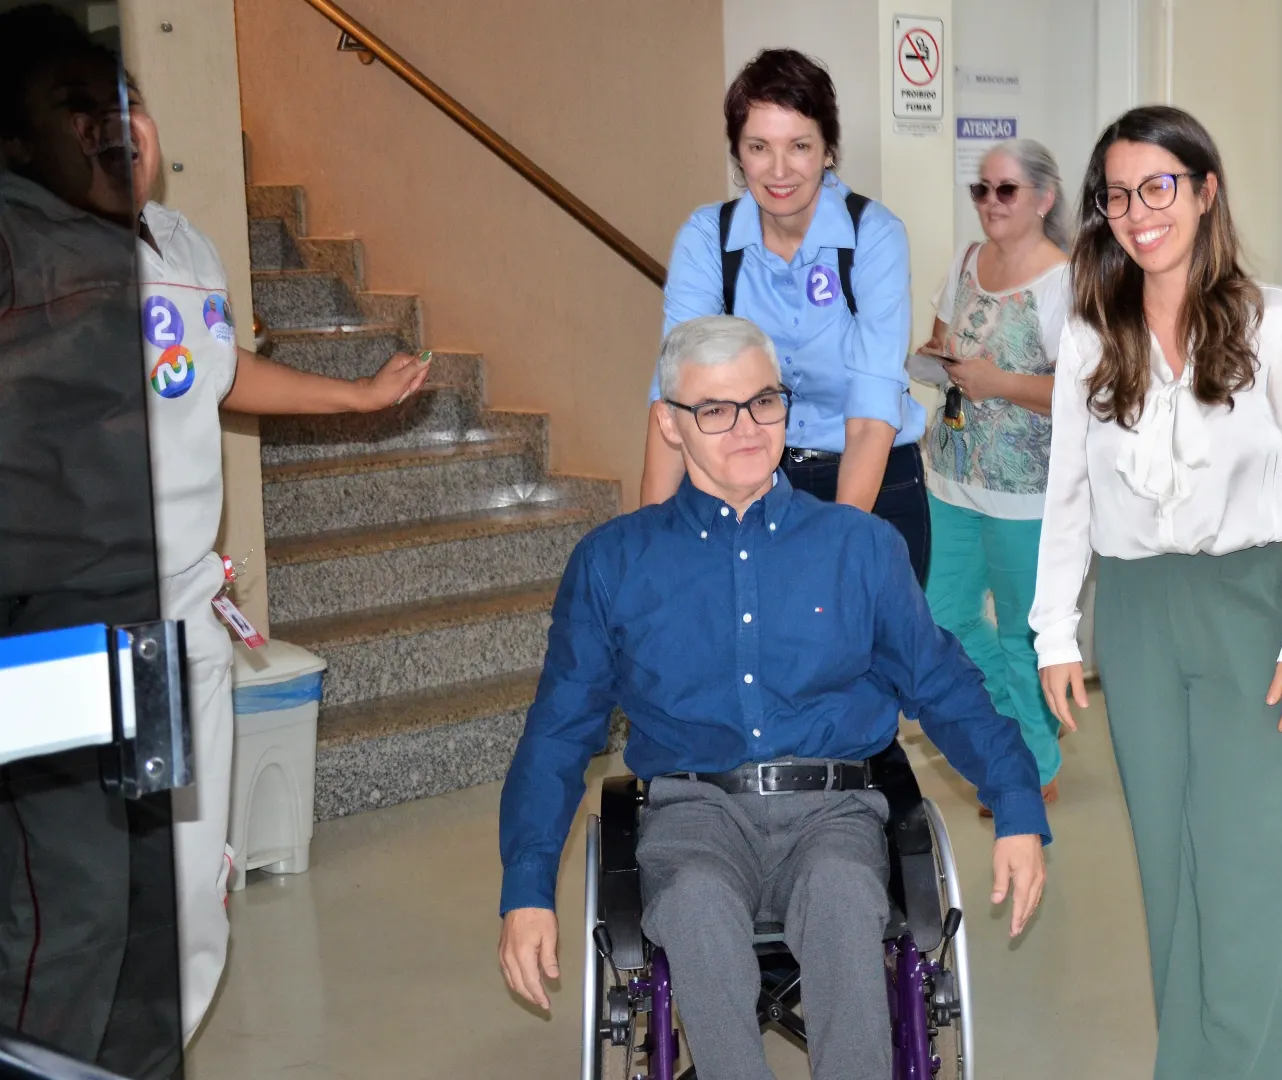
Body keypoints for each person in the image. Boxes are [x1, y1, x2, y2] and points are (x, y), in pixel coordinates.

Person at [0, 7, 430, 1065]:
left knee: (190, 895)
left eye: (124, 104)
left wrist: (355, 397)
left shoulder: (183, 244)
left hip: (182, 621)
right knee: (73, 916)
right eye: (77, 111)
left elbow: (222, 372)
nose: (114, 127)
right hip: (64, 635)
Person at [498, 316, 1048, 1080]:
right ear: (669, 423)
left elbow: (943, 684)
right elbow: (559, 733)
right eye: (714, 410)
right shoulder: (614, 563)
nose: (747, 428)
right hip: (692, 814)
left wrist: (1015, 803)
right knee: (693, 903)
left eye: (763, 402)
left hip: (833, 810)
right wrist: (526, 889)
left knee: (842, 894)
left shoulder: (858, 547)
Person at [1028, 106, 1282, 1079]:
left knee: (1242, 870)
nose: (1138, 213)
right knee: (1167, 871)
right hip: (1134, 616)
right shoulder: (1092, 337)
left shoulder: (1276, 325)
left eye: (1158, 187)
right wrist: (1054, 632)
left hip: (1246, 609)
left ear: (1206, 192)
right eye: (1118, 195)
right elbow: (1068, 494)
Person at [643, 49, 931, 583]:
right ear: (738, 154)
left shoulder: (873, 236)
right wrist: (650, 549)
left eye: (799, 146)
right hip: (748, 482)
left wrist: (834, 546)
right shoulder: (707, 239)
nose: (779, 171)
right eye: (759, 147)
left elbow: (872, 411)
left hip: (870, 479)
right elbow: (675, 396)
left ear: (828, 151)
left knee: (856, 632)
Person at [912, 139, 1071, 813]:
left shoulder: (1064, 282)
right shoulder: (966, 261)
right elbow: (943, 342)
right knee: (942, 617)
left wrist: (998, 382)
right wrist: (939, 360)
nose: (990, 202)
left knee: (1021, 633)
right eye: (982, 189)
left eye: (1006, 189)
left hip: (1025, 493)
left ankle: (1034, 762)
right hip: (948, 475)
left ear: (1044, 198)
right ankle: (1013, 728)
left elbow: (1079, 394)